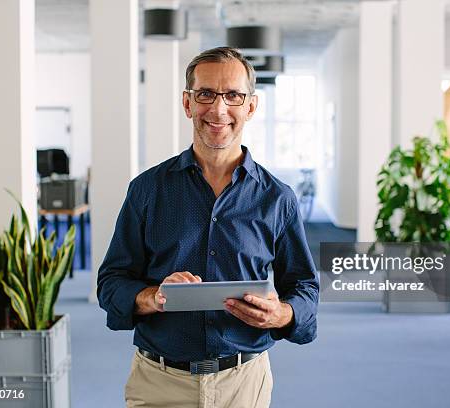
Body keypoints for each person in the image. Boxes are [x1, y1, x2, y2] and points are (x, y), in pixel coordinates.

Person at [97, 46, 319, 408]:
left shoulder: (278, 198)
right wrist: (152, 297)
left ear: (250, 106)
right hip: (159, 384)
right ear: (188, 103)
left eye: (233, 95)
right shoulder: (147, 190)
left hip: (243, 384)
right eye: (205, 94)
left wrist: (282, 314)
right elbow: (111, 283)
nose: (218, 109)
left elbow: (305, 287)